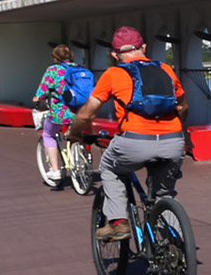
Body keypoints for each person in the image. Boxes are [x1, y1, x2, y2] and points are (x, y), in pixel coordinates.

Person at [69, 27, 187, 241]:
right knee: (164, 195)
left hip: (134, 143)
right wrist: (179, 133)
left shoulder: (114, 74)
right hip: (173, 141)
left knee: (108, 168)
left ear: (114, 55)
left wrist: (74, 133)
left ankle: (118, 222)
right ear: (144, 47)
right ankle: (177, 245)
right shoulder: (166, 69)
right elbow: (183, 107)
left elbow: (87, 114)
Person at [32, 45, 79, 185]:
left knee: (48, 135)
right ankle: (81, 158)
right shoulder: (80, 69)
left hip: (60, 111)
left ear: (55, 57)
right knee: (76, 133)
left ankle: (55, 170)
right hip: (80, 111)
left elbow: (44, 89)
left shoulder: (53, 70)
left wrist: (37, 98)